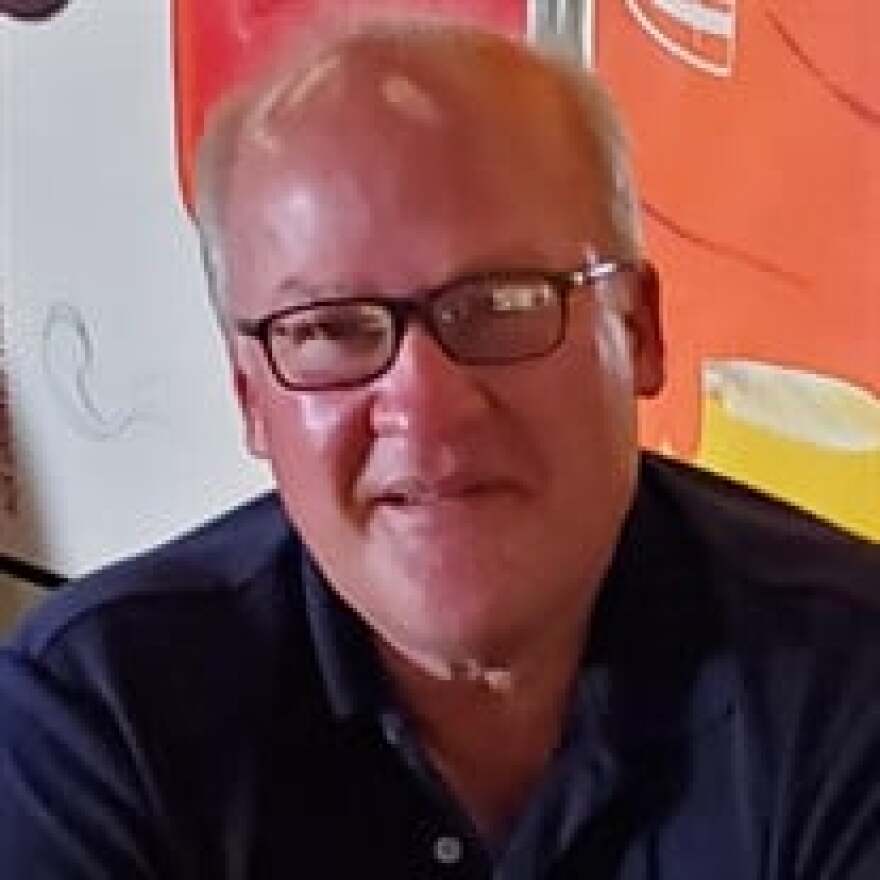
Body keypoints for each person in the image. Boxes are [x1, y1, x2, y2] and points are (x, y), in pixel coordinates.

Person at [2, 14, 879, 878]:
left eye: (502, 303)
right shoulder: (95, 722)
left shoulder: (849, 681)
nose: (426, 406)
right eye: (332, 329)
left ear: (640, 331)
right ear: (252, 400)